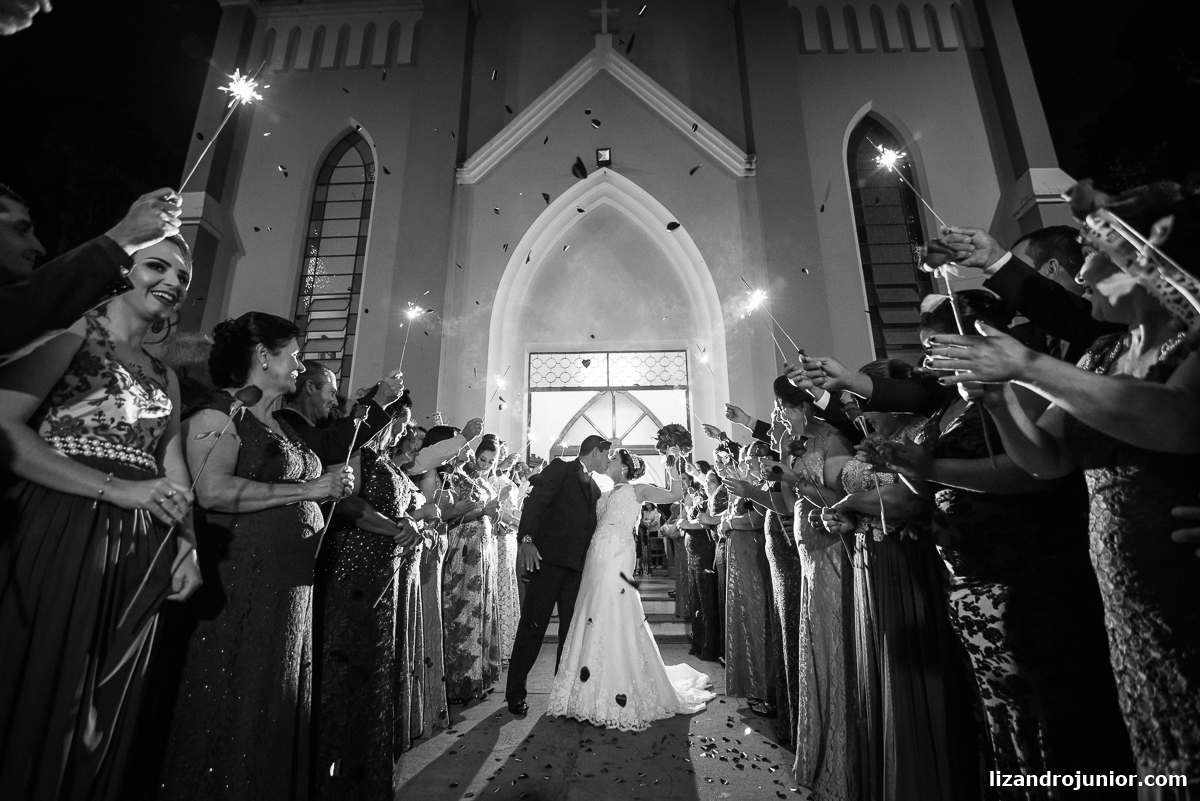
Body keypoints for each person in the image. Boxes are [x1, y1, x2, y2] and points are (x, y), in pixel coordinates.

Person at [929, 240, 1200, 795]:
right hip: (1123, 592)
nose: (1077, 272)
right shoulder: (1099, 353)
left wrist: (1027, 365)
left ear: (1145, 270)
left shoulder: (1190, 346)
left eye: (1095, 256)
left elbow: (1175, 421)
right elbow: (1047, 461)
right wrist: (1001, 401)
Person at [882, 292, 1135, 794]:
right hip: (967, 574)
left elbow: (1036, 472)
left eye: (939, 345)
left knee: (1047, 712)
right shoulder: (950, 402)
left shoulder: (1019, 383)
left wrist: (932, 466)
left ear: (974, 332)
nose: (931, 359)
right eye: (927, 348)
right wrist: (910, 469)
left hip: (1022, 568)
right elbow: (933, 487)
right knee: (998, 712)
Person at [0, 236, 198, 800]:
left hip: (139, 543)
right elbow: (6, 429)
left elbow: (173, 463)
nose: (171, 281)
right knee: (52, 683)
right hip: (62, 519)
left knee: (102, 702)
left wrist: (186, 546)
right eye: (156, 266)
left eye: (181, 276)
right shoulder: (73, 333)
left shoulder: (166, 376)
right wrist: (114, 490)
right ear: (121, 272)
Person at [156, 312, 353, 801]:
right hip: (246, 581)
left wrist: (327, 488)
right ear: (263, 357)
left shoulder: (281, 423)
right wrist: (308, 487)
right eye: (294, 354)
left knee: (275, 694)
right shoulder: (218, 414)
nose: (300, 364)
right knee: (239, 694)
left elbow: (293, 486)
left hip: (290, 585)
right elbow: (212, 490)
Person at [547, 448, 715, 730]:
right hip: (596, 554)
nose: (608, 460)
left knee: (614, 603)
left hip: (619, 553)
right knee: (592, 608)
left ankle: (619, 680)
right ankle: (587, 685)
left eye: (613, 458)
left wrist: (673, 471)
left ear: (624, 467)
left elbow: (674, 495)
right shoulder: (603, 493)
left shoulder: (638, 490)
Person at [316, 400, 433, 798]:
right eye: (401, 422)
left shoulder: (387, 460)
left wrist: (410, 524)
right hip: (358, 565)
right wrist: (396, 529)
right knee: (353, 658)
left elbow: (405, 507)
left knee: (378, 661)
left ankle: (371, 757)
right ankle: (340, 766)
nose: (405, 431)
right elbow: (348, 503)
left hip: (387, 569)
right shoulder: (359, 451)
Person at [0, 185, 184, 364]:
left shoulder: (165, 375)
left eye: (184, 278)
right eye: (20, 230)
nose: (39, 248)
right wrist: (126, 237)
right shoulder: (66, 337)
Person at [505, 435, 612, 716]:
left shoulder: (593, 487)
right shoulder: (560, 469)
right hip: (548, 563)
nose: (608, 461)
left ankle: (561, 691)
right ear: (597, 452)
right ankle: (515, 692)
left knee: (570, 633)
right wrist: (526, 540)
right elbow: (535, 502)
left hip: (577, 570)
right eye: (606, 456)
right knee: (532, 627)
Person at [441, 433, 503, 704]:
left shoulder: (482, 480)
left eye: (491, 462)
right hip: (466, 547)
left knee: (481, 606)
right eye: (482, 458)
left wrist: (493, 513)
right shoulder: (458, 476)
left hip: (485, 546)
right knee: (465, 605)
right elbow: (453, 514)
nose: (485, 464)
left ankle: (479, 672)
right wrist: (483, 511)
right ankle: (460, 676)